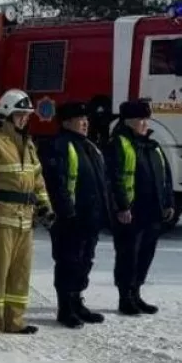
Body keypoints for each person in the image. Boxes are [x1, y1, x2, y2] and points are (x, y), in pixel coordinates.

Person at [0, 89, 54, 338]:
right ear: (5, 115)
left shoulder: (28, 145)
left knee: (20, 273)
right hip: (1, 219)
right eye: (20, 115)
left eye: (27, 115)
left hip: (24, 220)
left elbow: (38, 180)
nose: (24, 119)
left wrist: (45, 206)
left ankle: (14, 320)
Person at [40, 101, 113, 329]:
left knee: (84, 261)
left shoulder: (89, 146)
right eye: (80, 119)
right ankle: (65, 308)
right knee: (67, 262)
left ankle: (77, 301)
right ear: (66, 122)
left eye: (86, 119)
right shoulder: (59, 145)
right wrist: (66, 213)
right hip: (69, 219)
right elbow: (56, 183)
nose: (85, 123)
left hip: (90, 218)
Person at [104, 99, 175, 315]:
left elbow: (165, 176)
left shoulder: (152, 145)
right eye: (141, 120)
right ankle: (125, 297)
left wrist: (168, 202)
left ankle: (136, 293)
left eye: (146, 119)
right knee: (128, 255)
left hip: (152, 212)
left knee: (145, 255)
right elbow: (113, 179)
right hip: (131, 212)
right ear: (129, 121)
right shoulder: (119, 143)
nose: (146, 123)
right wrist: (122, 207)